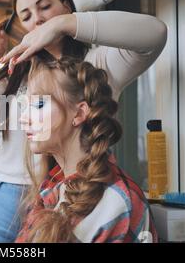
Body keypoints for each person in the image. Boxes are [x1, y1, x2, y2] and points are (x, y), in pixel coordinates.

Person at [0, 0, 167, 243]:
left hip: (80, 191)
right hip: (8, 194)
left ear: (66, 7)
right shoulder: (15, 77)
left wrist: (65, 24)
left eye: (45, 7)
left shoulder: (96, 65)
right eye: (26, 15)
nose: (38, 20)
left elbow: (155, 33)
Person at [17, 56, 157, 243]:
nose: (23, 118)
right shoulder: (53, 187)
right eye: (25, 106)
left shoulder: (117, 202)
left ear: (80, 113)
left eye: (39, 104)